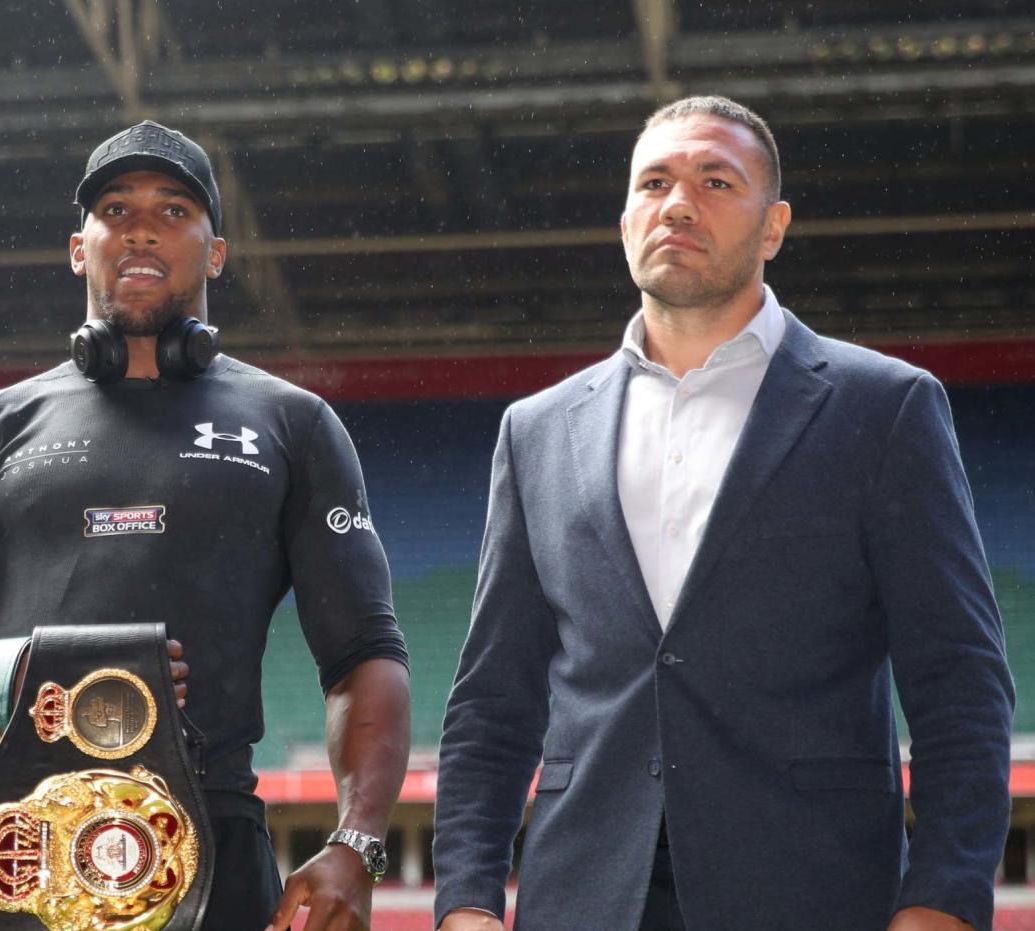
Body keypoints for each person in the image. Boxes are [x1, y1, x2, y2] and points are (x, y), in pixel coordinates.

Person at [432, 96, 1013, 931]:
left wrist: (944, 899)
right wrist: (466, 899)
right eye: (655, 182)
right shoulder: (536, 430)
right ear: (625, 217)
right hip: (584, 897)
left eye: (715, 180)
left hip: (815, 892)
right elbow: (494, 699)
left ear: (773, 226)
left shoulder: (885, 408)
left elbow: (960, 682)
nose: (677, 203)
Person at [0, 120, 412, 931]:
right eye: (116, 208)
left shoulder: (294, 425)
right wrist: (36, 680)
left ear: (216, 252)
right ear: (81, 247)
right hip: (17, 843)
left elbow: (365, 653)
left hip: (216, 846)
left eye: (175, 209)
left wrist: (356, 842)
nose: (142, 226)